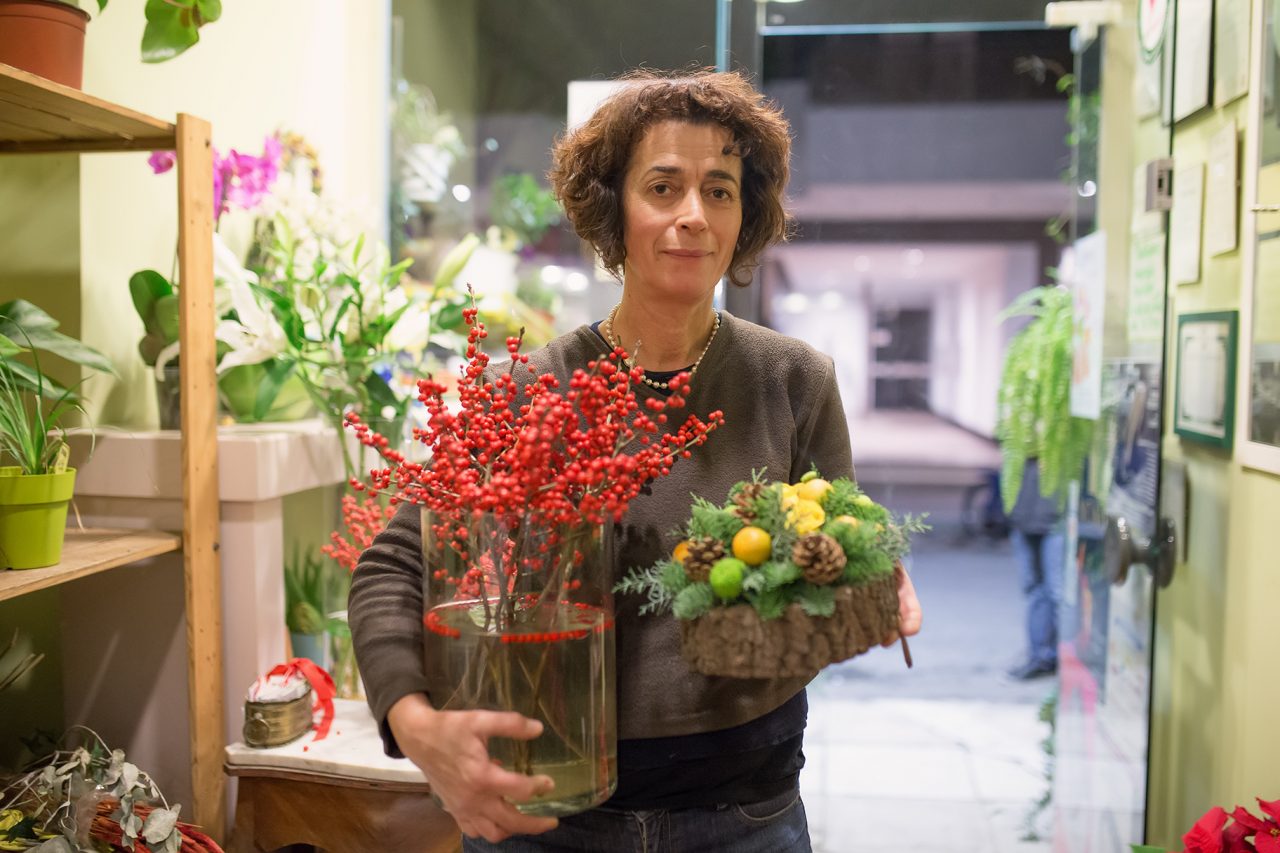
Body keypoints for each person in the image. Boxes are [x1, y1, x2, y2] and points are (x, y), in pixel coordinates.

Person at [347, 69, 923, 852]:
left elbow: (835, 536)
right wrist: (413, 725)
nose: (693, 215)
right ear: (613, 209)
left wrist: (870, 571)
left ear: (744, 214)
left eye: (720, 191)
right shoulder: (533, 391)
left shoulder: (794, 380)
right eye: (663, 186)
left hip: (747, 816)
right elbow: (394, 563)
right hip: (546, 813)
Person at [1005, 459, 1065, 681]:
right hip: (1024, 518)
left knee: (1057, 592)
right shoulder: (1021, 430)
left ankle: (1062, 659)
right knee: (1034, 590)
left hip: (1056, 520)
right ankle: (1040, 656)